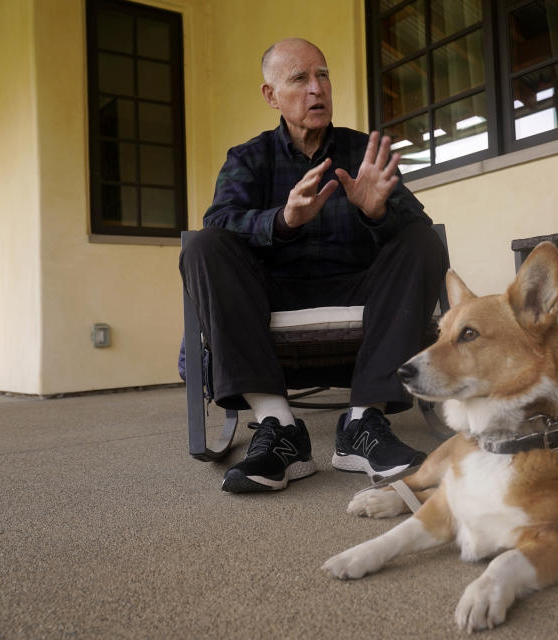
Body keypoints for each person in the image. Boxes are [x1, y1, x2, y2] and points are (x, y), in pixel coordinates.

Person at [179, 37, 448, 494]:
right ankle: (279, 428)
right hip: (272, 292)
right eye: (299, 78)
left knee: (421, 238)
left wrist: (376, 213)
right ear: (271, 95)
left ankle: (363, 425)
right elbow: (220, 221)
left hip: (360, 288)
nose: (316, 89)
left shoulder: (364, 152)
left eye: (322, 75)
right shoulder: (249, 158)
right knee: (204, 245)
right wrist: (282, 221)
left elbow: (414, 226)